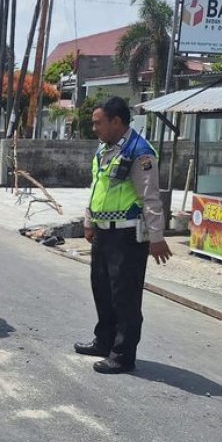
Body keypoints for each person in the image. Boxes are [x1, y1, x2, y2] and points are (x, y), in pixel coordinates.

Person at [74, 96, 172, 374]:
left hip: (127, 237)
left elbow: (150, 198)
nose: (95, 128)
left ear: (116, 121)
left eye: (98, 123)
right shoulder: (104, 150)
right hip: (103, 234)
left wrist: (156, 237)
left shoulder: (139, 152)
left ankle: (122, 354)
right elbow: (96, 187)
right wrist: (89, 221)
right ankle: (103, 341)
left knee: (125, 296)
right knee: (102, 289)